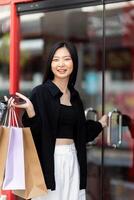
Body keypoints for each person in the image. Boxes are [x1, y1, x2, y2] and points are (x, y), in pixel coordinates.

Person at [8, 41, 107, 200]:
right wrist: (31, 111)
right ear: (50, 64)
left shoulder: (75, 97)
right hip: (49, 161)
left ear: (74, 62)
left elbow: (81, 132)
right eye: (56, 59)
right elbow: (33, 136)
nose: (61, 64)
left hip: (73, 158)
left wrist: (101, 123)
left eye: (66, 59)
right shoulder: (40, 92)